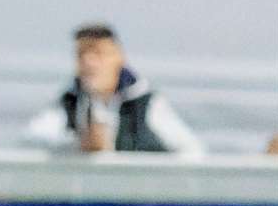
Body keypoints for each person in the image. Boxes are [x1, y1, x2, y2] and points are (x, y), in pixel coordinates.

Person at [22, 24, 203, 154]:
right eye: (81, 54)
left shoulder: (146, 102)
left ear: (118, 57)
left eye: (98, 54)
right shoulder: (69, 100)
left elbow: (191, 151)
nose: (89, 62)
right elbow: (30, 141)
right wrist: (77, 145)